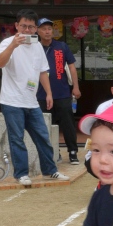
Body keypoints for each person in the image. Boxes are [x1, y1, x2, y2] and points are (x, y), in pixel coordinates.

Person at [0, 9, 69, 186]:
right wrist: (13, 46)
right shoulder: (7, 43)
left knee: (43, 136)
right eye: (23, 26)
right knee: (17, 139)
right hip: (11, 101)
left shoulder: (37, 46)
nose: (27, 30)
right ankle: (21, 174)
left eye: (30, 27)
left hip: (31, 101)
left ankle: (50, 170)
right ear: (16, 26)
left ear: (36, 28)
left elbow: (43, 71)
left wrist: (49, 93)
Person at [35, 17, 81, 166]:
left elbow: (72, 67)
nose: (47, 31)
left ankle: (73, 152)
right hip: (41, 95)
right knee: (45, 125)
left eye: (49, 29)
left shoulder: (61, 46)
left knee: (68, 124)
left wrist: (76, 87)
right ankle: (55, 152)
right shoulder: (34, 48)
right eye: (44, 29)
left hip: (62, 93)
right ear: (38, 31)